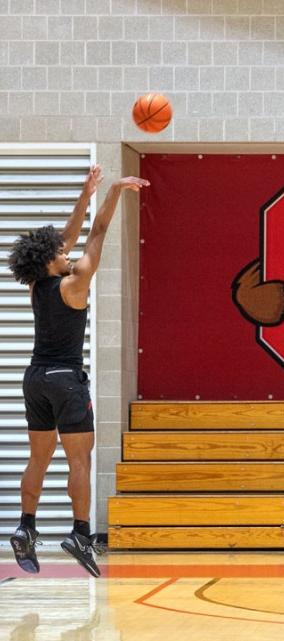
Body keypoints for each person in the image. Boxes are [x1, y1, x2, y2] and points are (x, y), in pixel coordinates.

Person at [7, 165, 150, 577]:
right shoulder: (76, 282)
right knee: (80, 460)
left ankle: (26, 526)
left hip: (34, 379)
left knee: (39, 456)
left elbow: (63, 239)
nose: (67, 252)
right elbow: (98, 233)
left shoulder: (39, 282)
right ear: (52, 261)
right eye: (61, 253)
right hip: (66, 381)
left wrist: (85, 193)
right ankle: (81, 533)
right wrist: (114, 193)